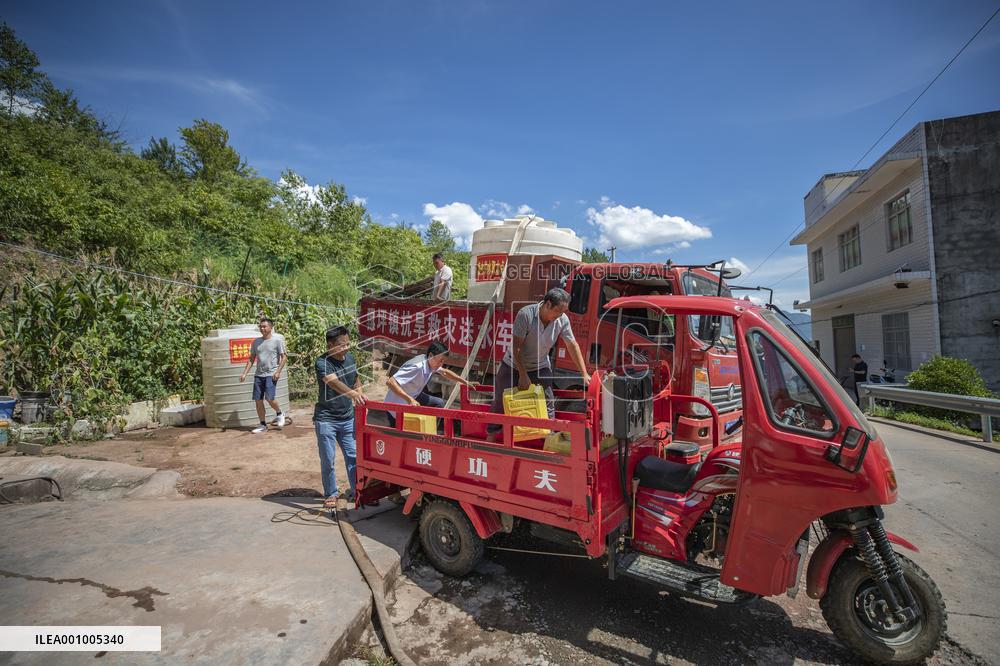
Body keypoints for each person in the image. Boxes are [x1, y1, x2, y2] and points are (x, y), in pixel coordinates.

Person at [487, 288, 590, 437]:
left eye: (563, 312)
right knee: (500, 401)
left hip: (540, 365)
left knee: (547, 401)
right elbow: (516, 347)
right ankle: (491, 434)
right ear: (547, 304)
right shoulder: (526, 314)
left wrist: (584, 374)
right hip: (513, 365)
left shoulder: (562, 320)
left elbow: (572, 345)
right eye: (558, 311)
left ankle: (549, 438)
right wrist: (522, 374)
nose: (560, 315)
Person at [314, 326, 367, 507]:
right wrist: (353, 395)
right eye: (341, 345)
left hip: (347, 418)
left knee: (353, 457)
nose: (346, 348)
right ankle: (331, 493)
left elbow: (355, 379)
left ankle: (357, 491)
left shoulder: (350, 359)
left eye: (348, 343)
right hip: (326, 419)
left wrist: (360, 392)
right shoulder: (322, 362)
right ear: (330, 345)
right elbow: (333, 383)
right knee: (328, 459)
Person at [384, 341, 474, 426]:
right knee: (402, 434)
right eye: (441, 360)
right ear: (431, 355)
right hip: (398, 403)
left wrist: (464, 381)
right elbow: (390, 382)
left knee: (439, 403)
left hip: (415, 395)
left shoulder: (430, 361)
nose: (441, 364)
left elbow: (444, 372)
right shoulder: (417, 366)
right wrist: (409, 399)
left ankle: (429, 429)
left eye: (443, 361)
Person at [239, 318, 287, 434]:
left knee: (269, 398)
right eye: (261, 326)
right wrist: (245, 373)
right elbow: (251, 359)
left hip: (271, 374)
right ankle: (262, 424)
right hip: (259, 375)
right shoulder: (256, 342)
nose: (262, 328)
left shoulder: (277, 341)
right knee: (258, 400)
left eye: (264, 326)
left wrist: (278, 371)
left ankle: (280, 413)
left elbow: (284, 357)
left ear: (270, 327)